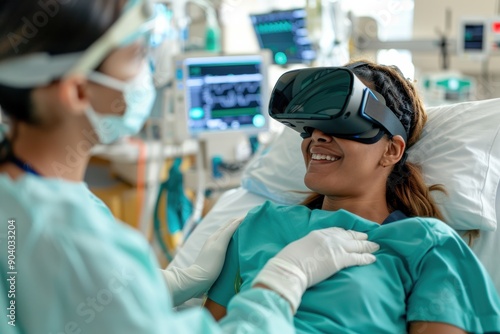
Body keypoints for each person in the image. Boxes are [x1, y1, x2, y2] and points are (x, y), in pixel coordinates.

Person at [0, 1, 381, 333]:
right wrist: (280, 285)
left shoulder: (33, 199)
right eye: (136, 58)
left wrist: (171, 284)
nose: (150, 74)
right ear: (78, 91)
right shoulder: (65, 236)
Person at [205, 61, 500, 333]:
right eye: (311, 126)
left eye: (342, 123)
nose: (316, 137)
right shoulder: (257, 226)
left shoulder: (425, 245)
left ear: (391, 151)